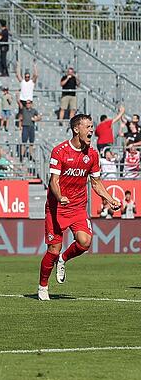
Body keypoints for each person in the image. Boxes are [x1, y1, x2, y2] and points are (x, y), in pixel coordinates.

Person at [38, 114, 121, 301]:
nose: (91, 130)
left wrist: (109, 198)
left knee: (84, 242)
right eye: (88, 127)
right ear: (77, 129)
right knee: (53, 249)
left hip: (77, 207)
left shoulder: (92, 154)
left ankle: (64, 259)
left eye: (92, 127)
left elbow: (96, 182)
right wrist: (60, 197)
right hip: (56, 207)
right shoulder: (59, 151)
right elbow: (54, 181)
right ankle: (43, 286)